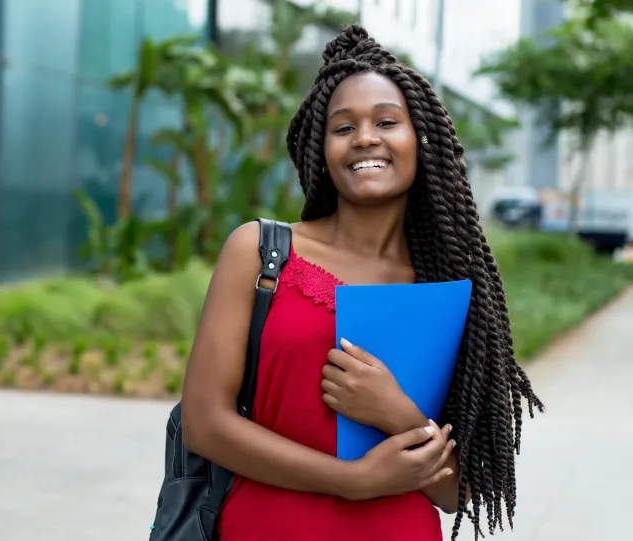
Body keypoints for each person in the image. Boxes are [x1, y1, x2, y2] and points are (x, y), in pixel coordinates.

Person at [180, 25, 544, 541]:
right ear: (321, 148)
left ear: (423, 141)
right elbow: (204, 422)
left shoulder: (449, 285)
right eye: (343, 127)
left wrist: (397, 413)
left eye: (387, 121)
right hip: (266, 527)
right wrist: (351, 480)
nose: (366, 137)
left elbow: (455, 493)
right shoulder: (261, 253)